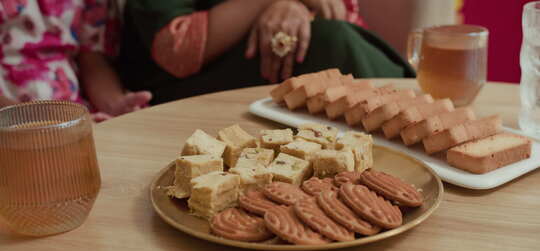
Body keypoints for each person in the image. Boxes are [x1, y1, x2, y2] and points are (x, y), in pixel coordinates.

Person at [119, 0, 415, 105]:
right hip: (181, 91)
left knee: (335, 41)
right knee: (331, 43)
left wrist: (293, 7)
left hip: (280, 75)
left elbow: (336, 12)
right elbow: (176, 50)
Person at [0, 0, 152, 121]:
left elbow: (91, 56)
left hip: (73, 114)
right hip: (9, 115)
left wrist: (115, 105)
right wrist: (31, 123)